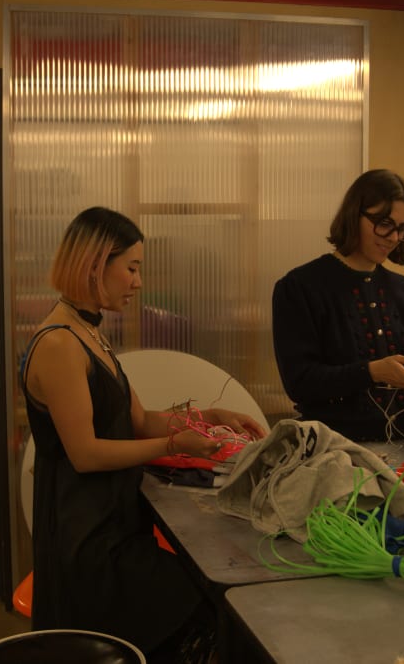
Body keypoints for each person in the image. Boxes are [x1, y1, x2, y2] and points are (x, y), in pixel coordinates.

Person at [20, 206, 267, 661]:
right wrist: (176, 445)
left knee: (206, 600)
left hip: (114, 523)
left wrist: (208, 416)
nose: (137, 282)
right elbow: (86, 454)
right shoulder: (59, 344)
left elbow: (137, 422)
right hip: (87, 542)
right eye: (131, 268)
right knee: (203, 605)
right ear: (95, 264)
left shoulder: (91, 335)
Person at [272, 169, 404, 442]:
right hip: (335, 450)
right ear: (354, 215)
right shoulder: (299, 288)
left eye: (403, 229)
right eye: (385, 223)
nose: (393, 237)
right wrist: (373, 372)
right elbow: (300, 382)